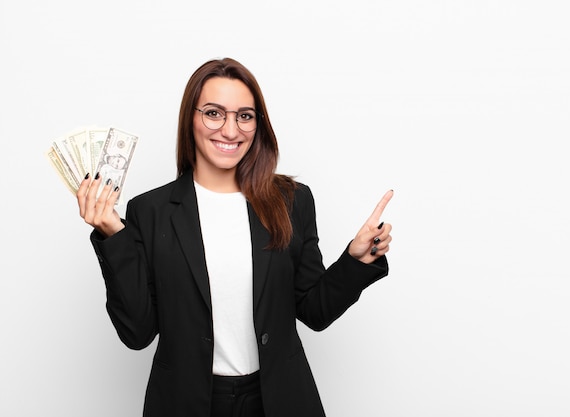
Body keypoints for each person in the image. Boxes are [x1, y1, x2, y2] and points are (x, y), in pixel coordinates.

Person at [77, 57, 393, 417]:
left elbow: (314, 310)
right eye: (214, 113)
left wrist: (355, 261)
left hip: (277, 399)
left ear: (257, 124)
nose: (230, 130)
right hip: (186, 402)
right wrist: (112, 234)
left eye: (244, 115)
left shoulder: (292, 201)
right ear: (190, 120)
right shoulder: (150, 210)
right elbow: (137, 333)